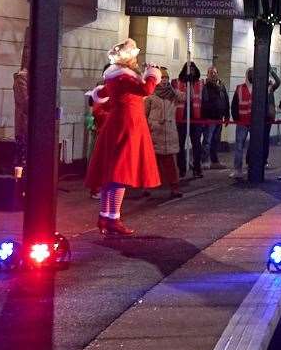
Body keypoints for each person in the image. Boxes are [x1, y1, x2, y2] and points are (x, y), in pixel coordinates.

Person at [84, 39, 161, 235]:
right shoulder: (124, 76)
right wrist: (153, 74)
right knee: (121, 173)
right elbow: (147, 90)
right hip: (128, 125)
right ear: (128, 58)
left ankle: (105, 216)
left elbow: (101, 94)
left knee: (112, 174)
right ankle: (113, 219)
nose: (136, 59)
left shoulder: (113, 75)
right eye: (134, 55)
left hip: (117, 123)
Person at [231, 66, 279, 178]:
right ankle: (237, 170)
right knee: (239, 146)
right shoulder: (239, 88)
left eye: (254, 73)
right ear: (247, 75)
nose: (252, 75)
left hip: (255, 123)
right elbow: (234, 104)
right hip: (242, 122)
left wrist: (271, 72)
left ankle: (253, 167)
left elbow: (278, 83)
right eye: (250, 73)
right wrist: (236, 118)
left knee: (254, 146)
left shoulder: (262, 88)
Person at [144, 69, 184, 200]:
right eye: (162, 78)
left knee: (171, 165)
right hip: (154, 133)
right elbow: (145, 114)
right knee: (151, 163)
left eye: (166, 78)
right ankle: (147, 187)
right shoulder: (151, 95)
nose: (164, 80)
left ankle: (174, 187)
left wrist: (188, 79)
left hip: (169, 134)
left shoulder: (173, 94)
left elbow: (185, 97)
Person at [173, 60, 203, 179]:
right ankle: (181, 169)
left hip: (195, 118)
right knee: (180, 144)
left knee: (196, 144)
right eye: (189, 69)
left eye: (193, 69)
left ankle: (197, 168)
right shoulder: (177, 82)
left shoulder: (200, 84)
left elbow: (203, 101)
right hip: (182, 117)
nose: (191, 71)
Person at [200, 66, 230, 169]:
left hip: (219, 118)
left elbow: (226, 100)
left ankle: (214, 161)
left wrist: (227, 115)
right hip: (209, 118)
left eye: (214, 72)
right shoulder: (205, 86)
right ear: (207, 74)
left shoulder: (221, 85)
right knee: (207, 141)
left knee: (215, 140)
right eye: (211, 73)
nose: (213, 74)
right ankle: (204, 161)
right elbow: (203, 102)